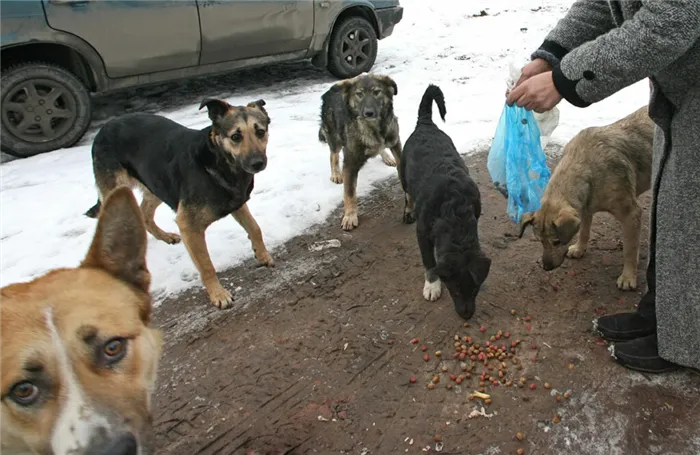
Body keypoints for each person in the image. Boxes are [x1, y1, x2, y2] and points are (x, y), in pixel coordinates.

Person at [506, 0, 700, 373]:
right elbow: (602, 3)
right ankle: (663, 316)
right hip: (681, 91)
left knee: (691, 211)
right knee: (672, 201)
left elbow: (670, 21)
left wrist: (565, 79)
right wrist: (552, 55)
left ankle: (686, 342)